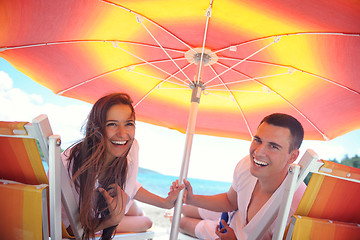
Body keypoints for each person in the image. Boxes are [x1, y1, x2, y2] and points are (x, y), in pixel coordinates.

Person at [61, 93, 183, 239]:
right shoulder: (71, 166)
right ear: (96, 128)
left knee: (137, 213)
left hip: (110, 203)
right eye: (112, 124)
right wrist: (111, 221)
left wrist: (164, 203)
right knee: (145, 221)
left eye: (128, 124)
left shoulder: (131, 148)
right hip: (88, 221)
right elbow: (68, 229)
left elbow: (130, 184)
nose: (122, 133)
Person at [176, 113, 307, 239]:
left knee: (180, 223)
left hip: (233, 235)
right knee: (183, 208)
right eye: (257, 140)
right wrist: (192, 198)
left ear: (293, 156)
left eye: (273, 146)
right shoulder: (247, 165)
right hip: (231, 215)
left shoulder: (294, 208)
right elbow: (230, 201)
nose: (258, 152)